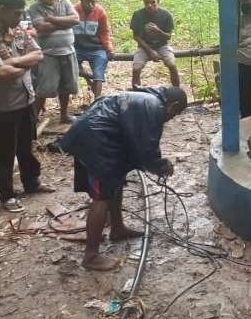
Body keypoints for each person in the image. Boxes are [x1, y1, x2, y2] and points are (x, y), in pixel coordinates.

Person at [56, 86, 187, 270]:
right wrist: (161, 165)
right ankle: (91, 256)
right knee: (101, 197)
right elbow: (146, 149)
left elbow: (134, 141)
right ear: (173, 106)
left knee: (115, 182)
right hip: (97, 140)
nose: (171, 118)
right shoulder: (154, 108)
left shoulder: (146, 98)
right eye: (175, 114)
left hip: (93, 133)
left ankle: (117, 228)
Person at [0, 0, 53, 212]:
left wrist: (13, 61)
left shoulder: (15, 28)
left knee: (27, 146)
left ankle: (32, 183)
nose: (20, 17)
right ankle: (7, 195)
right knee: (4, 153)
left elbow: (38, 54)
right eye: (16, 13)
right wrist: (21, 63)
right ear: (1, 9)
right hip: (3, 105)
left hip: (26, 98)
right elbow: (0, 73)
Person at [28, 0, 80, 123]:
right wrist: (64, 22)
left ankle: (64, 116)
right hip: (48, 54)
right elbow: (41, 28)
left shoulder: (65, 2)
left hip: (68, 51)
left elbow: (75, 20)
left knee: (67, 86)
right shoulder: (34, 8)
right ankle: (32, 119)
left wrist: (51, 19)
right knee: (44, 88)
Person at [130, 0, 179, 87]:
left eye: (153, 2)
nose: (149, 5)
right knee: (136, 68)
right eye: (146, 2)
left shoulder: (166, 15)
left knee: (172, 65)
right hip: (144, 46)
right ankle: (137, 94)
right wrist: (150, 51)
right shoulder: (138, 15)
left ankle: (177, 92)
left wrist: (158, 31)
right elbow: (136, 36)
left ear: (158, 2)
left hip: (162, 45)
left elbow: (168, 36)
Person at [72, 0, 114, 100]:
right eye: (87, 1)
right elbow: (67, 31)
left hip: (96, 48)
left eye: (93, 2)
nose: (90, 5)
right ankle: (86, 78)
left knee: (98, 73)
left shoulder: (100, 12)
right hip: (77, 47)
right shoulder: (73, 10)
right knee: (68, 62)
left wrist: (108, 49)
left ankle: (97, 101)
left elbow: (104, 32)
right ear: (81, 0)